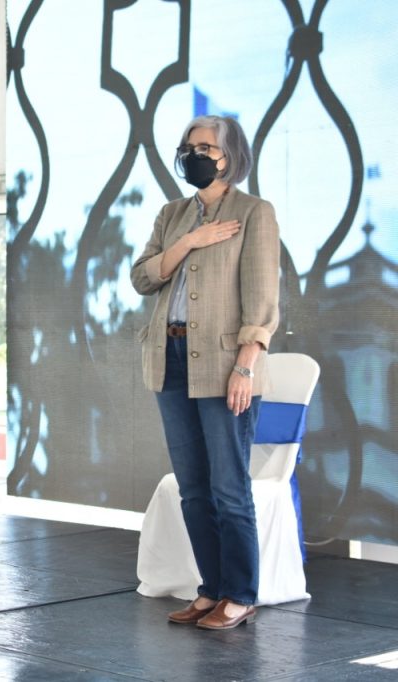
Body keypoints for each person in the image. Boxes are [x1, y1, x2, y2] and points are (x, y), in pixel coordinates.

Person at [130, 115, 280, 630]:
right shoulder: (172, 214)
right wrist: (190, 241)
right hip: (169, 359)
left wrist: (245, 367)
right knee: (192, 487)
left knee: (229, 488)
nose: (195, 156)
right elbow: (142, 278)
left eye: (206, 148)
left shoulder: (254, 212)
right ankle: (211, 590)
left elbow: (261, 300)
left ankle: (240, 594)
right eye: (188, 148)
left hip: (223, 363)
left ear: (230, 155)